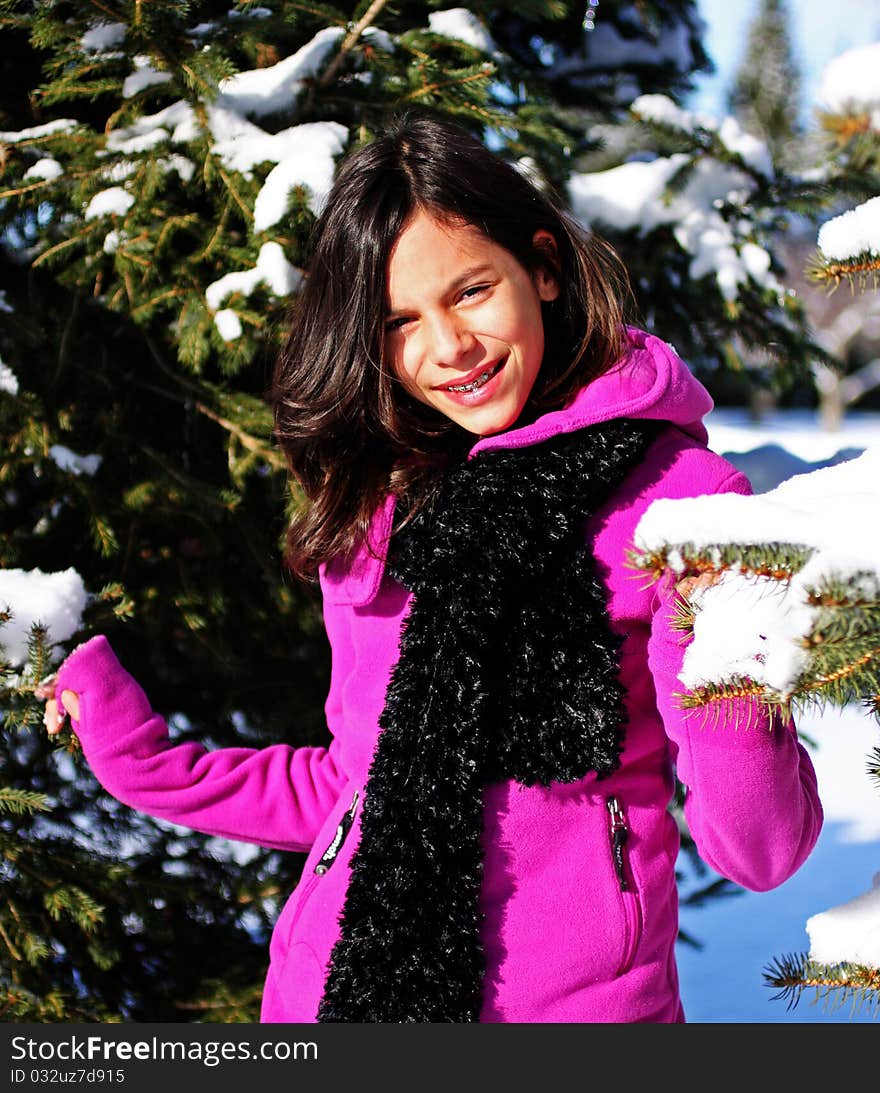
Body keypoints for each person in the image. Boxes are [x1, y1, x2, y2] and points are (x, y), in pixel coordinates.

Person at [40, 111, 823, 1023]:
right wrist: (142, 761)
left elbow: (759, 847)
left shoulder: (677, 502)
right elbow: (353, 789)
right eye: (401, 321)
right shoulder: (385, 508)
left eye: (472, 290)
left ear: (544, 267)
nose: (448, 347)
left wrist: (721, 634)